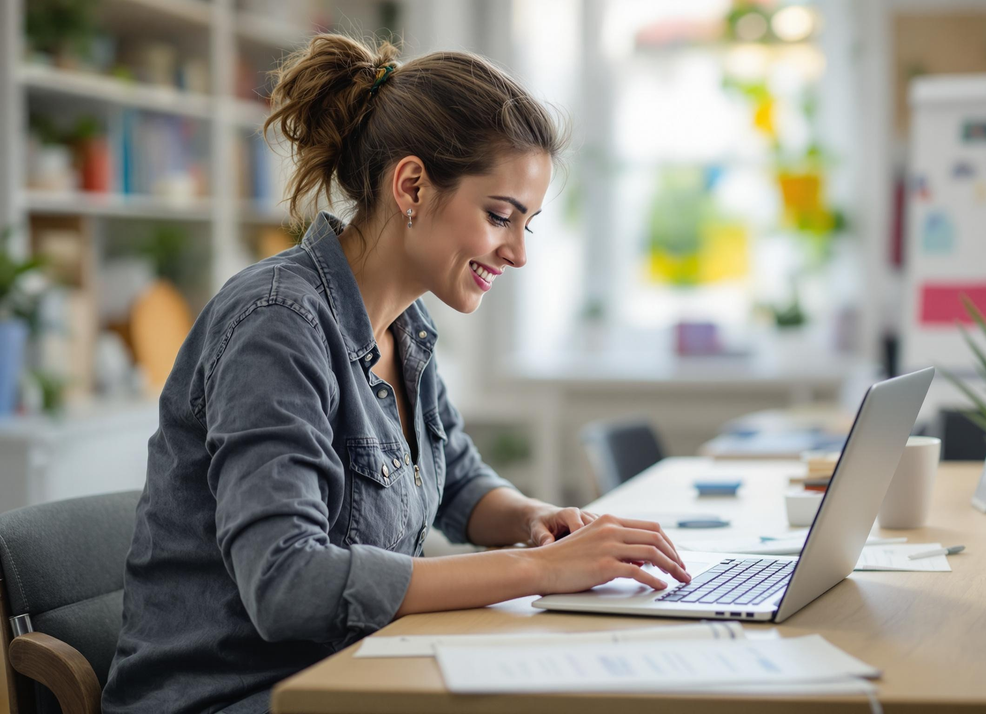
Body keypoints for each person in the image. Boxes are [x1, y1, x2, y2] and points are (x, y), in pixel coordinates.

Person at [101, 34, 689, 714]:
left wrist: (537, 523)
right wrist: (536, 571)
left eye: (527, 223)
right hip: (235, 697)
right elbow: (286, 582)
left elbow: (459, 483)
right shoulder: (277, 324)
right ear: (411, 185)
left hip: (353, 670)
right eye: (500, 216)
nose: (518, 253)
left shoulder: (405, 327)